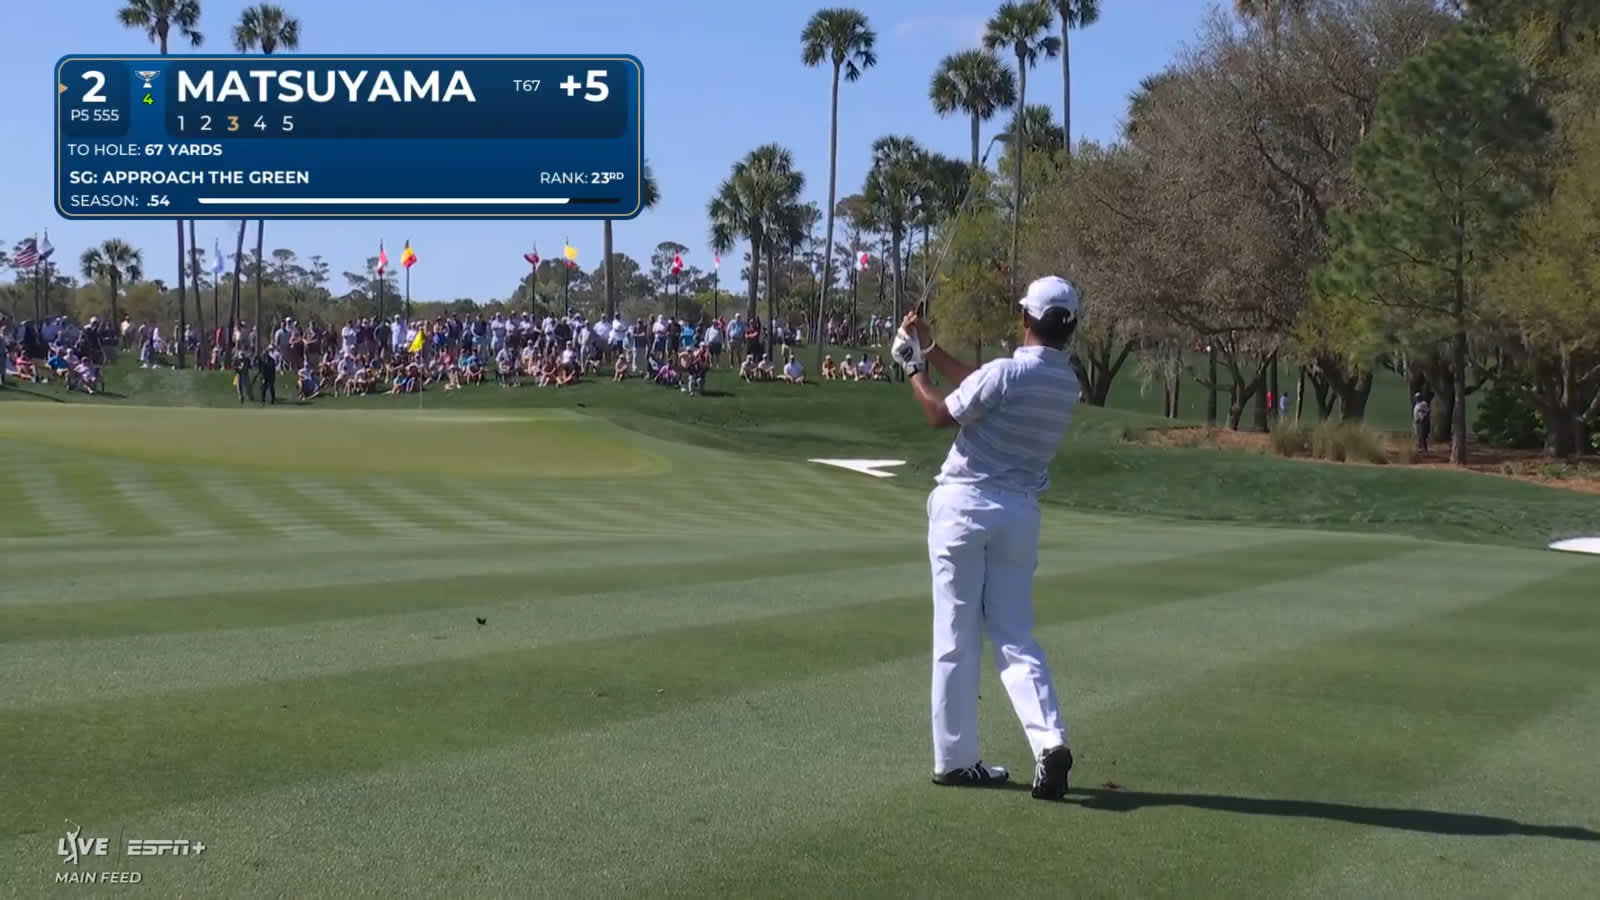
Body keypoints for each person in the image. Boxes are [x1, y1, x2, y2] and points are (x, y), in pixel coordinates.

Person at [892, 275, 1082, 801]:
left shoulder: (1006, 373)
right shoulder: (1066, 384)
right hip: (1018, 516)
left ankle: (955, 761)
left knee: (955, 636)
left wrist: (912, 366)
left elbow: (939, 414)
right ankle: (1049, 743)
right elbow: (983, 386)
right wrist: (930, 347)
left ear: (1025, 319)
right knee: (1015, 635)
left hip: (964, 509)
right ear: (1068, 328)